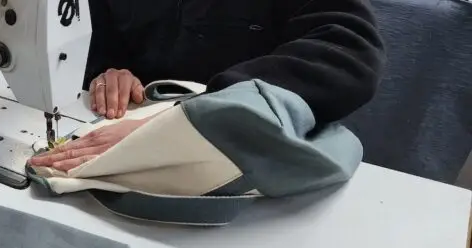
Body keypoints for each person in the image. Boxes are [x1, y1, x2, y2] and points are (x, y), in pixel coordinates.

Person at [30, 0, 385, 172]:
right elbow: (88, 26)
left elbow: (350, 53)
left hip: (243, 157)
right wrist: (106, 70)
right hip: (127, 128)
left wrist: (199, 114)